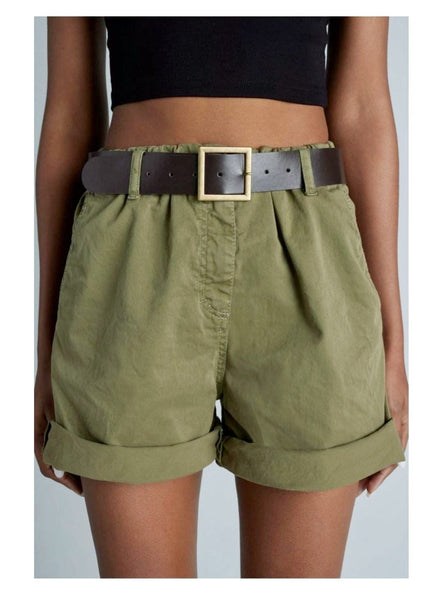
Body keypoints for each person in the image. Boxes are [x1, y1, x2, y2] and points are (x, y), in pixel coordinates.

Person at [34, 17, 408, 578]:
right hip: (133, 260)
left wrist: (392, 342)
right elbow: (69, 116)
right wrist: (46, 351)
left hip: (306, 251)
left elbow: (362, 108)